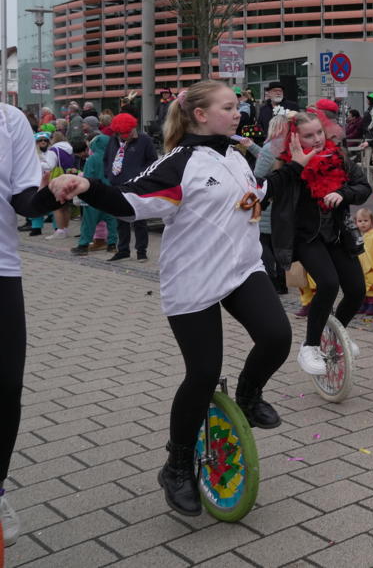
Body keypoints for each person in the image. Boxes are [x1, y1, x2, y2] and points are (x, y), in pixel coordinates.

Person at [48, 81, 292, 517]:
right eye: (229, 107)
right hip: (194, 280)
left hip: (241, 270)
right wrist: (87, 186)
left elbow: (253, 193)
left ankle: (249, 395)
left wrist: (287, 174)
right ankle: (177, 464)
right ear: (200, 114)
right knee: (202, 373)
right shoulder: (180, 163)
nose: (238, 113)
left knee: (276, 337)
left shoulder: (233, 155)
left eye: (237, 107)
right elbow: (129, 199)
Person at [1, 103, 72, 544]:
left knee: (7, 384)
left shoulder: (9, 121)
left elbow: (24, 197)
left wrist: (52, 194)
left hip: (1, 267)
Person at [265, 111, 372, 376]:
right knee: (327, 283)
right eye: (308, 136)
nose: (316, 140)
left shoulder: (339, 157)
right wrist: (295, 168)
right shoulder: (287, 165)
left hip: (335, 235)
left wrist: (343, 193)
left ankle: (335, 334)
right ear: (295, 139)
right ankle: (310, 345)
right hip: (304, 237)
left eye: (319, 133)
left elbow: (363, 187)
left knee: (357, 289)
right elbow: (268, 192)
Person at [104, 113, 159, 262]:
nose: (125, 136)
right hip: (117, 184)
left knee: (139, 219)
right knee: (121, 219)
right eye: (122, 134)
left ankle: (141, 251)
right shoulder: (113, 141)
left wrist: (141, 176)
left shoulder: (144, 140)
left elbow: (153, 161)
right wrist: (109, 174)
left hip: (137, 186)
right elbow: (107, 159)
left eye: (128, 133)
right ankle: (123, 250)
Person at [253, 115, 290, 295]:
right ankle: (283, 283)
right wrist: (251, 146)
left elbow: (258, 174)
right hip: (286, 203)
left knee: (265, 245)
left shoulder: (270, 148)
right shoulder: (291, 146)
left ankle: (271, 282)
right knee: (280, 245)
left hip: (269, 205)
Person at [69, 132, 118, 257]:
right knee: (111, 221)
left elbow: (88, 177)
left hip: (95, 194)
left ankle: (83, 245)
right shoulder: (114, 157)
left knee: (89, 221)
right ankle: (112, 245)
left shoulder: (93, 158)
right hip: (111, 194)